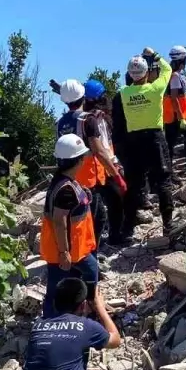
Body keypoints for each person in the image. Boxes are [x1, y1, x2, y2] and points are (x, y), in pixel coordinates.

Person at [39, 134, 102, 316]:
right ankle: (89, 306)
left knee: (60, 285)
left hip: (73, 248)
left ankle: (71, 311)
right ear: (79, 160)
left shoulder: (66, 182)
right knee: (88, 272)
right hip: (68, 250)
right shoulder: (65, 189)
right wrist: (64, 252)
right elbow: (59, 221)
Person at [56, 79, 120, 245]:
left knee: (78, 218)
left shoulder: (61, 123)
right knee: (96, 218)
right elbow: (99, 151)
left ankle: (79, 252)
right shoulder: (88, 120)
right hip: (89, 180)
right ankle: (89, 256)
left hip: (69, 178)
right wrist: (117, 175)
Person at [121, 50, 177, 237]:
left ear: (129, 74)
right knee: (163, 179)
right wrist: (155, 55)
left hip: (133, 140)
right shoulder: (155, 89)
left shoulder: (124, 93)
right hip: (154, 138)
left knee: (134, 183)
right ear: (146, 73)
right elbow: (167, 69)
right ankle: (168, 223)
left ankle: (127, 228)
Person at [83, 79, 129, 246]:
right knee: (115, 201)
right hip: (103, 167)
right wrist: (115, 170)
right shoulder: (97, 119)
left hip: (92, 170)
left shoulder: (84, 118)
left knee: (98, 208)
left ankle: (101, 239)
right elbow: (102, 149)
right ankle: (113, 237)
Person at [164, 46, 186, 171]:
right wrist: (180, 116)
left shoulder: (174, 74)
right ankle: (171, 169)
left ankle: (172, 168)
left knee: (180, 140)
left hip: (175, 115)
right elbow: (174, 97)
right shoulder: (174, 76)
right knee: (173, 143)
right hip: (176, 115)